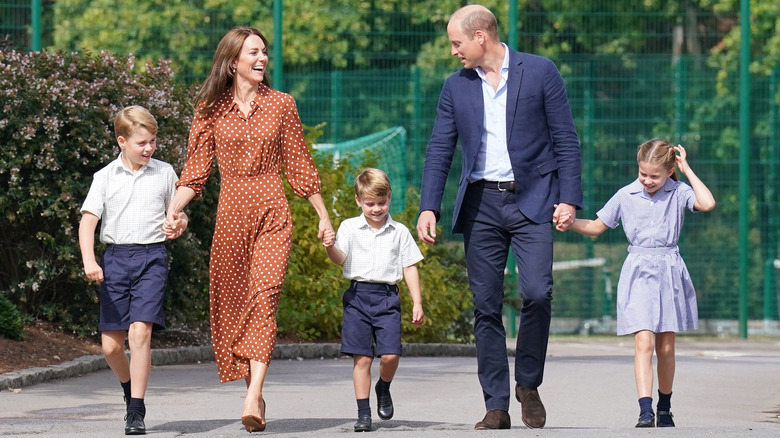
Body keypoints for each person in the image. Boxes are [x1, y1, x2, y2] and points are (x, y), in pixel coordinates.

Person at [416, 4, 582, 430]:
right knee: (486, 306)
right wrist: (429, 205)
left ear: (480, 37)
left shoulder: (540, 71)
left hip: (534, 201)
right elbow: (440, 148)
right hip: (481, 206)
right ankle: (496, 403)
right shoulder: (456, 87)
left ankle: (527, 382)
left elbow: (566, 138)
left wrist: (569, 199)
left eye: (457, 43)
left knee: (538, 292)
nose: (453, 51)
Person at [165, 26, 334, 433]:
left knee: (265, 297)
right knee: (237, 306)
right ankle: (254, 391)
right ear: (232, 61)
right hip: (231, 217)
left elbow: (298, 163)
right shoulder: (210, 110)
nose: (262, 59)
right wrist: (173, 210)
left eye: (264, 53)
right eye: (253, 52)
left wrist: (323, 215)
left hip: (272, 212)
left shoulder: (281, 105)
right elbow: (195, 172)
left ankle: (251, 393)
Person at [564, 139, 715, 428]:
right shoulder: (626, 195)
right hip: (638, 272)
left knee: (666, 346)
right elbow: (597, 226)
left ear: (670, 170)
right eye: (643, 173)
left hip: (669, 270)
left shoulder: (680, 191)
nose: (647, 180)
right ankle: (645, 409)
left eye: (654, 176)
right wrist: (569, 221)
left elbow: (707, 203)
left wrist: (686, 168)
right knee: (643, 341)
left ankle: (665, 407)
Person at [79, 105, 188, 435]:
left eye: (153, 141)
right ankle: (129, 391)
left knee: (140, 331)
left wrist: (179, 223)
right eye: (142, 142)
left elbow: (178, 214)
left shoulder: (165, 173)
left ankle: (136, 412)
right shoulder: (105, 177)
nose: (149, 148)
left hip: (152, 258)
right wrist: (89, 260)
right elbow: (87, 224)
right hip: (114, 261)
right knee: (111, 347)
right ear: (122, 141)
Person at [323, 168, 424, 432]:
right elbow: (339, 258)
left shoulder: (399, 232)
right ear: (358, 201)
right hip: (357, 297)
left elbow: (410, 267)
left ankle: (384, 386)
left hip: (387, 298)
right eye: (370, 204)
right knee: (362, 358)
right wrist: (328, 246)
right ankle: (363, 414)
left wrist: (417, 302)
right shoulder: (349, 227)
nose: (376, 209)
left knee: (390, 355)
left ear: (389, 197)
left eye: (381, 203)